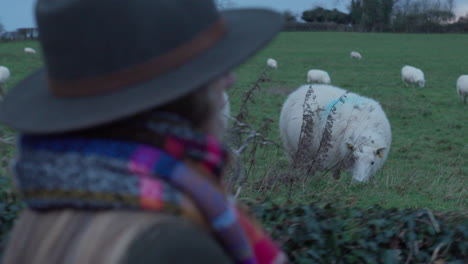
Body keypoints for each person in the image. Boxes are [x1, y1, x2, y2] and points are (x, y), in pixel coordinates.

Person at [0, 0, 288, 263]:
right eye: (212, 67)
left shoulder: (42, 218)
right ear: (185, 95)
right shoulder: (177, 248)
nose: (229, 79)